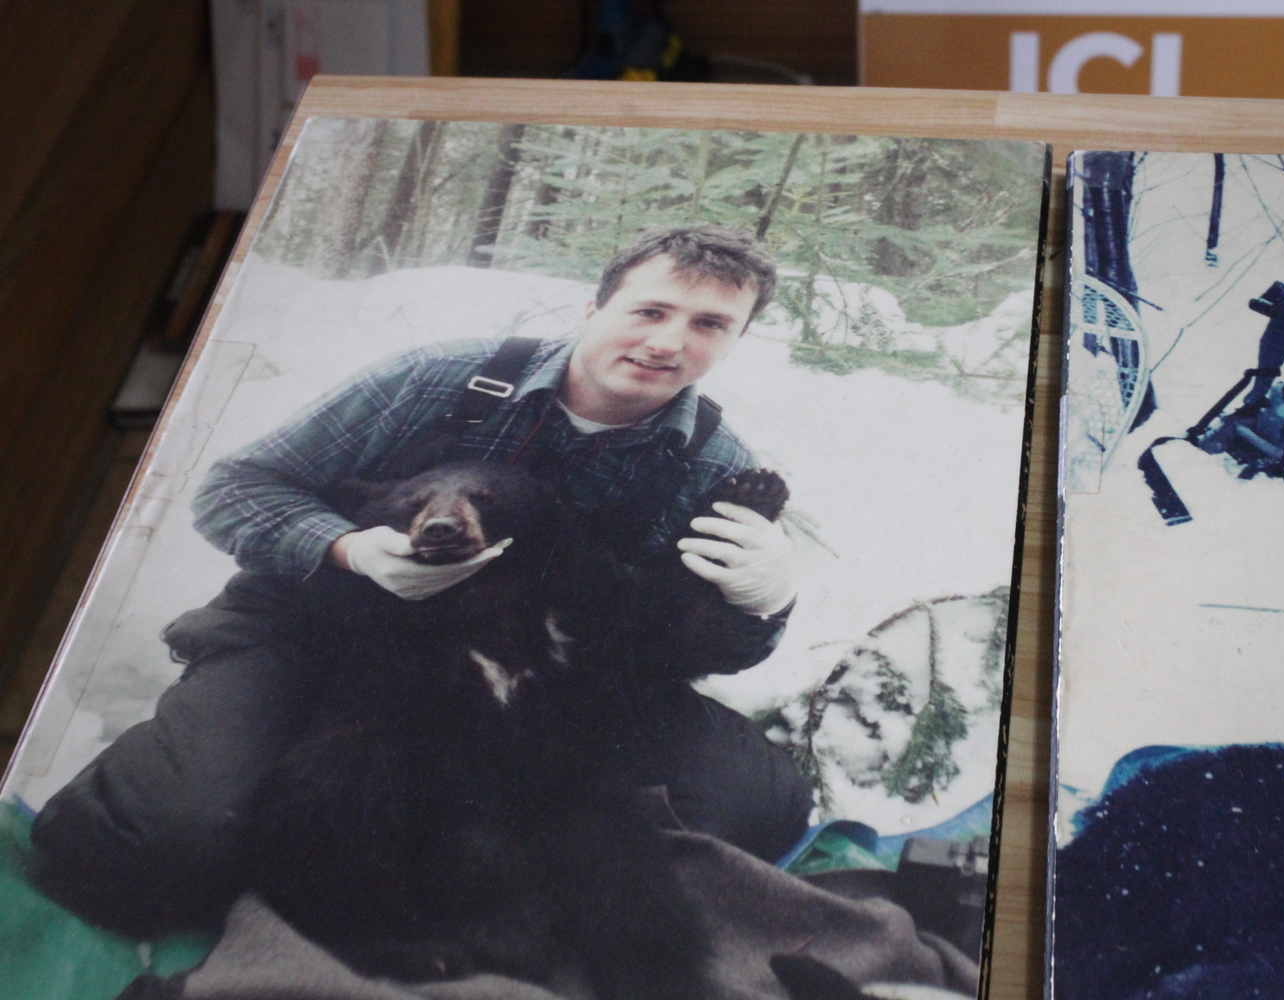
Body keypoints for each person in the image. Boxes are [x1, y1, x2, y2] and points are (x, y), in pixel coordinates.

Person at [30, 225, 812, 935]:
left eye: (709, 324)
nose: (669, 341)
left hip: (536, 673)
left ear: (735, 340)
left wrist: (764, 604)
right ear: (594, 307)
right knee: (171, 838)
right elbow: (235, 490)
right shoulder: (442, 381)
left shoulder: (710, 462)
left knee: (746, 805)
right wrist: (346, 550)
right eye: (651, 310)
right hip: (323, 633)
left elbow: (682, 640)